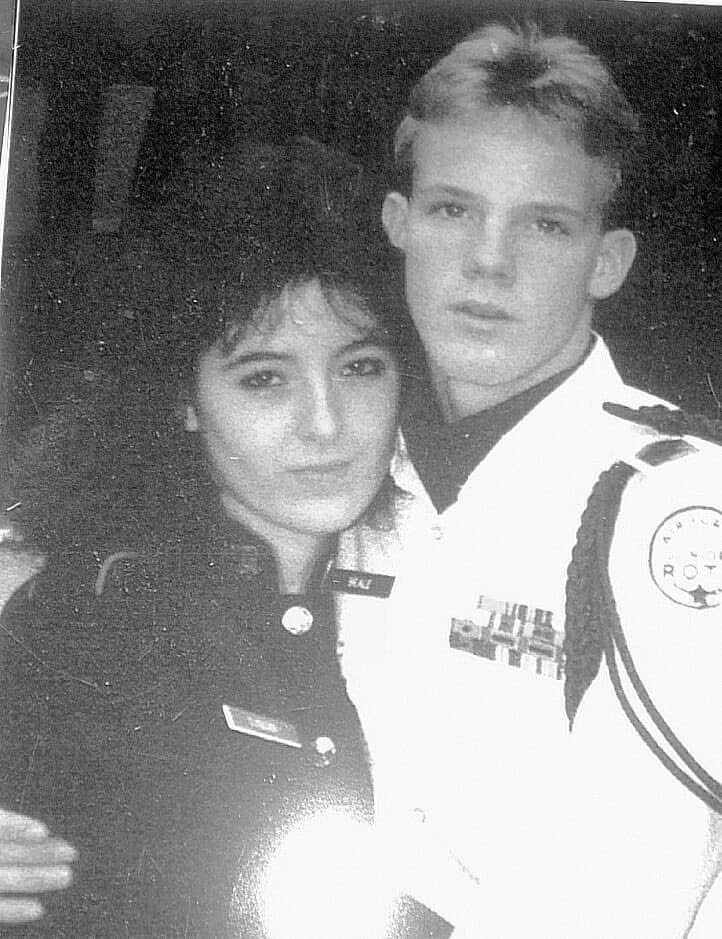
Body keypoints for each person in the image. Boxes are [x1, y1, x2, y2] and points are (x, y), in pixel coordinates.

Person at [335, 22, 722, 938]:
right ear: (399, 223)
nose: (488, 261)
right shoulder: (340, 473)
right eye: (452, 209)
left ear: (608, 260)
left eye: (544, 224)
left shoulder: (672, 508)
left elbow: (650, 888)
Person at [0, 145, 444, 937]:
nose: (325, 423)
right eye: (265, 378)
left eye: (361, 366)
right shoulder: (97, 618)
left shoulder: (436, 580)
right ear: (184, 400)